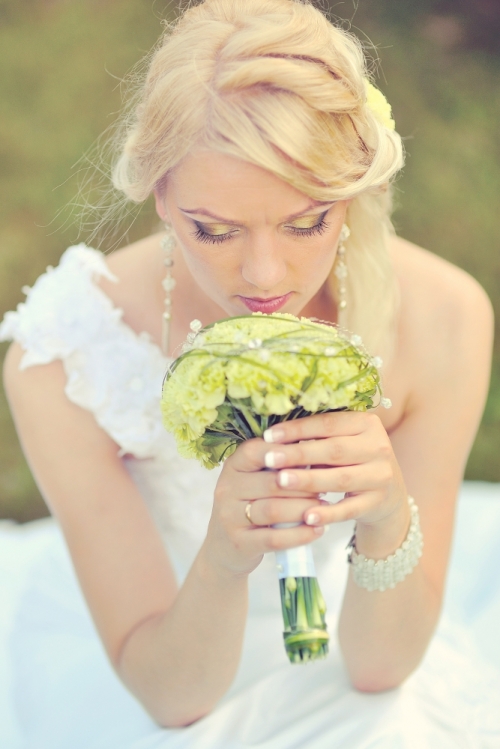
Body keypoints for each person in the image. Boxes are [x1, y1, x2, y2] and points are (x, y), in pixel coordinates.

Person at [1, 0, 499, 746]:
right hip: (177, 647)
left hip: (357, 642)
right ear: (161, 193)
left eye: (307, 223)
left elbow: (378, 668)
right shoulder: (62, 359)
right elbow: (171, 699)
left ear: (353, 191)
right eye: (215, 230)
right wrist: (224, 559)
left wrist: (388, 517)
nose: (266, 274)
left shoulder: (445, 318)